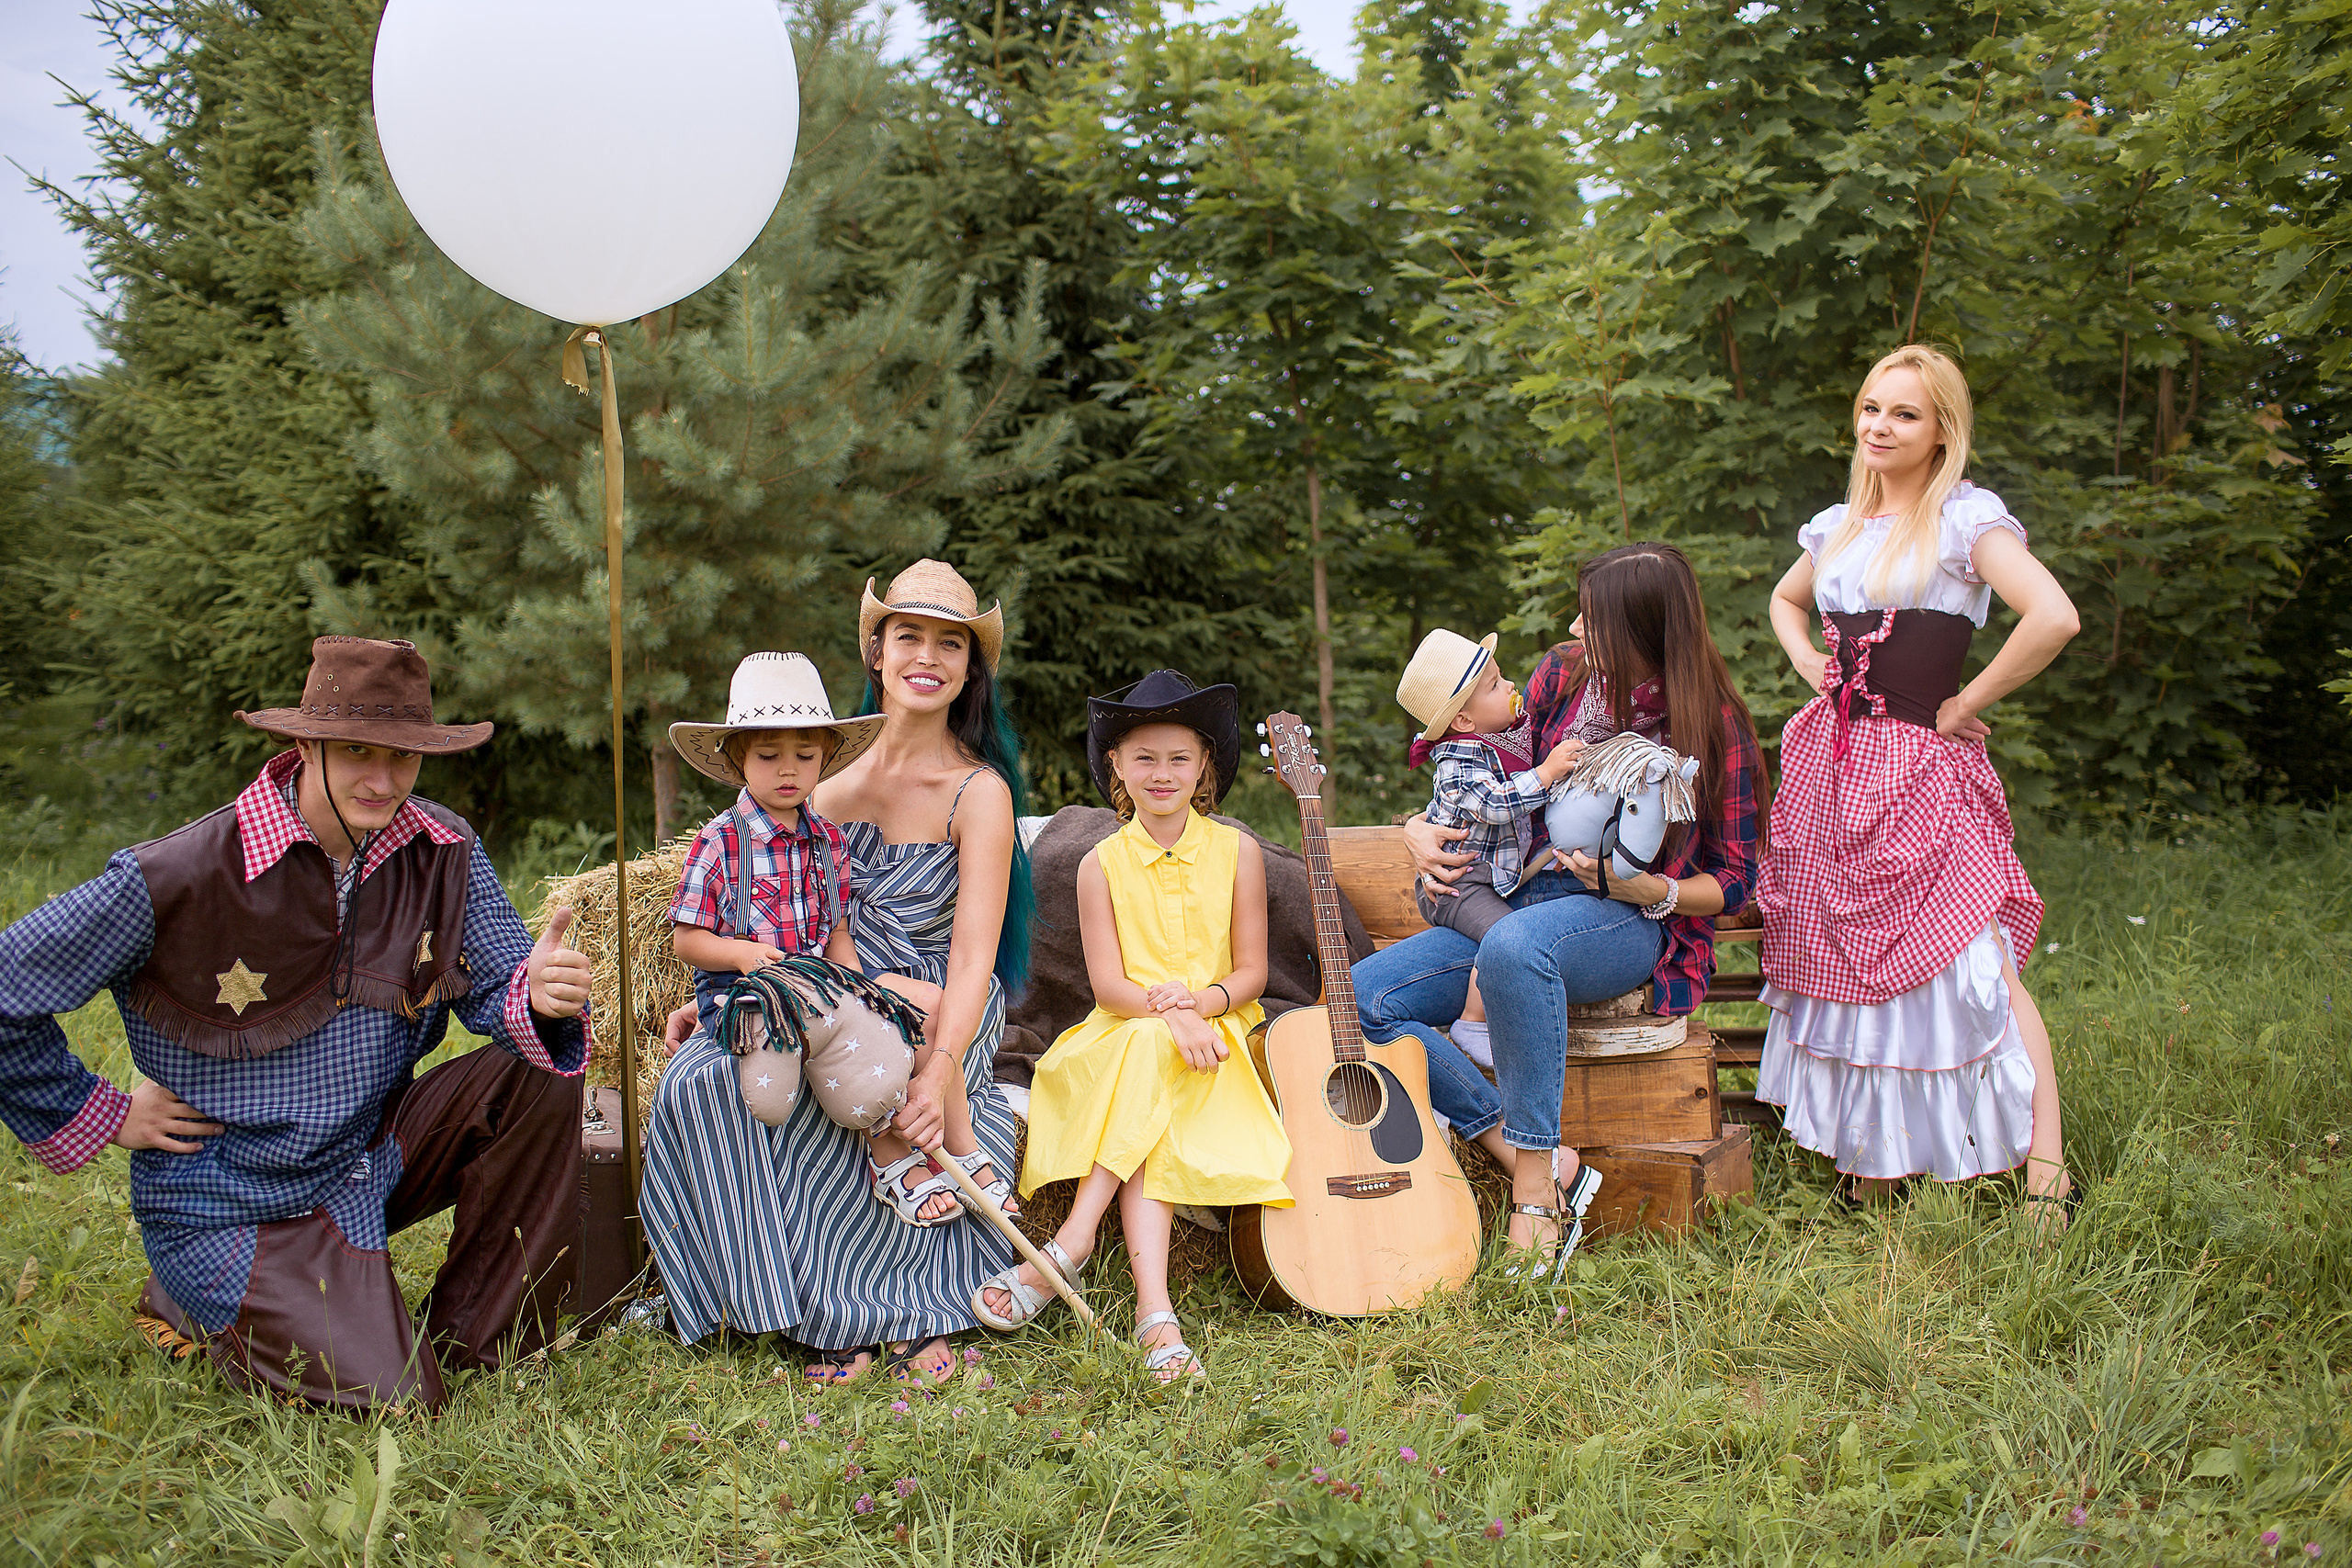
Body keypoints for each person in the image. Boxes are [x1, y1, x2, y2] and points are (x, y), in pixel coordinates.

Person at [0, 637, 594, 1411]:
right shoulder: (183, 871)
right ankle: (197, 1290)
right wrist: (105, 1113)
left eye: (405, 757)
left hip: (367, 1152)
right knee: (393, 1398)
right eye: (356, 752)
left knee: (540, 1067)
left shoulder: (442, 848)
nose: (383, 781)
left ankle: (474, 1334)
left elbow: (495, 989)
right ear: (305, 743)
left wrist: (536, 990)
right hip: (233, 1193)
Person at [1357, 547, 1765, 1277]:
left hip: (1629, 923)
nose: (1577, 626)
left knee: (1515, 949)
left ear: (1644, 632)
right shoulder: (1563, 674)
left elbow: (1737, 880)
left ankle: (1534, 1195)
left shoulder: (1713, 724)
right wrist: (1415, 827)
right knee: (1365, 999)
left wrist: (1654, 891)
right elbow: (1475, 763)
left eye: (1594, 618)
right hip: (1517, 898)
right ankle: (1527, 1152)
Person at [1755, 344, 2080, 1224]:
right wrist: (1808, 664)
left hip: (1923, 773)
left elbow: (2053, 616)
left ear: (1942, 431)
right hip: (1833, 764)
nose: (1880, 426)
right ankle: (1877, 1164)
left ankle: (2046, 1167)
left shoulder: (1968, 522)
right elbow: (1787, 604)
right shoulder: (1837, 528)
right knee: (1850, 961)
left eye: (1904, 413)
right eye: (1870, 408)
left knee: (1979, 967)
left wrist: (1966, 699)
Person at [981, 670, 1289, 1383]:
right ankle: (1155, 1314)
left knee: (1157, 1068)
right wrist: (1169, 1013)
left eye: (1179, 757)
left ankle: (1073, 1244)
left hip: (1217, 1032)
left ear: (1205, 765)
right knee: (1151, 1053)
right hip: (1122, 1032)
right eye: (1143, 757)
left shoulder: (1238, 851)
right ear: (1115, 764)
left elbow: (1250, 971)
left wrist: (1196, 1007)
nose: (1162, 773)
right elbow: (1113, 986)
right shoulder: (1099, 865)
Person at [639, 650, 932, 1351]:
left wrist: (854, 985)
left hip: (816, 1001)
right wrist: (741, 954)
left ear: (826, 757)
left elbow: (834, 933)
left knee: (872, 1052)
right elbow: (687, 939)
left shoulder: (828, 842)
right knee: (757, 1090)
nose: (788, 768)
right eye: (769, 754)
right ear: (738, 758)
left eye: (805, 753)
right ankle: (755, 1290)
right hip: (744, 1001)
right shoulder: (720, 842)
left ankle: (887, 1154)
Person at [1395, 627, 1586, 1068]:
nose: (1511, 688)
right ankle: (1471, 1023)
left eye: (1502, 678)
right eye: (1495, 686)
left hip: (1485, 878)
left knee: (1512, 934)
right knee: (1507, 939)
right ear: (1463, 720)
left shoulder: (1503, 734)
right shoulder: (1458, 758)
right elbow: (1494, 804)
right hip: (1459, 884)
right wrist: (1547, 773)